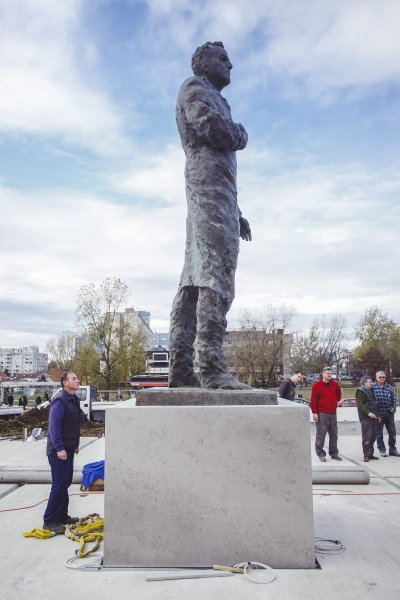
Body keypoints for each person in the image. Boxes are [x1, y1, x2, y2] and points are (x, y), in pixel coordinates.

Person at [168, 41, 252, 390]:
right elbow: (212, 129)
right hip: (206, 190)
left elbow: (224, 169)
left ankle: (182, 369)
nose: (230, 63)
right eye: (222, 58)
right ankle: (211, 367)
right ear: (202, 63)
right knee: (214, 276)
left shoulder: (216, 96)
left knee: (195, 280)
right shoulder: (194, 88)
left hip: (216, 194)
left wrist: (237, 213)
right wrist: (241, 133)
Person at [42, 372, 81, 534]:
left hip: (68, 449)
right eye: (73, 379)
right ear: (65, 383)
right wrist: (59, 448)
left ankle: (62, 516)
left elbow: (72, 425)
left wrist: (74, 445)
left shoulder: (73, 400)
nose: (77, 381)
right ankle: (50, 521)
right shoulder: (60, 401)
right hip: (59, 451)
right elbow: (54, 427)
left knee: (65, 483)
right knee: (58, 485)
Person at [310, 366, 342, 462]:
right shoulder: (317, 386)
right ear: (323, 374)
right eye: (328, 373)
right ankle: (320, 454)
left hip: (333, 413)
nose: (329, 375)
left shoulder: (334, 384)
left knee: (334, 434)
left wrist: (337, 400)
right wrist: (315, 413)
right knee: (321, 434)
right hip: (322, 414)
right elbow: (313, 400)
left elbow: (338, 393)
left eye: (330, 373)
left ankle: (333, 453)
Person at [372, 371, 399, 457]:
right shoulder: (372, 387)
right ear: (376, 377)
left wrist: (392, 410)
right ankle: (382, 450)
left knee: (392, 432)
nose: (382, 379)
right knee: (379, 434)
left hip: (389, 414)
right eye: (380, 377)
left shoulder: (389, 388)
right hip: (378, 414)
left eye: (383, 377)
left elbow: (394, 400)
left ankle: (392, 450)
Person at [356, 376, 380, 462]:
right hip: (366, 418)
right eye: (370, 382)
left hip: (374, 417)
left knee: (373, 437)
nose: (371, 383)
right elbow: (360, 405)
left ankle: (370, 454)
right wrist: (368, 413)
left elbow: (374, 404)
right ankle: (366, 455)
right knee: (367, 437)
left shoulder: (371, 390)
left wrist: (378, 415)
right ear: (364, 383)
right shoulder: (360, 391)